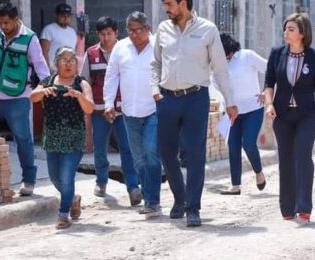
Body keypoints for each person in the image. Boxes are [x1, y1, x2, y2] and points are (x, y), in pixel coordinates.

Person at [151, 0, 238, 227]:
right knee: (167, 152)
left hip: (196, 98)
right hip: (167, 98)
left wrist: (230, 101)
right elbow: (155, 64)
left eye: (169, 3)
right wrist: (154, 89)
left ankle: (193, 207)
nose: (165, 8)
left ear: (183, 4)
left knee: (195, 153)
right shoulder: (163, 29)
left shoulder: (207, 29)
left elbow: (220, 69)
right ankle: (180, 198)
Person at [0, 2, 50, 197]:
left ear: (16, 20)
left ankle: (29, 180)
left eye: (7, 22)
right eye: (0, 22)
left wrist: (45, 90)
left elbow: (41, 67)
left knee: (23, 138)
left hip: (18, 96)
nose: (3, 26)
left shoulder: (29, 38)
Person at [264, 13, 315, 223]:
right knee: (286, 159)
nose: (286, 32)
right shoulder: (277, 54)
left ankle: (304, 206)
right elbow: (269, 82)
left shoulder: (314, 57)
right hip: (282, 114)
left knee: (302, 155)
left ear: (302, 33)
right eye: (285, 29)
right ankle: (287, 208)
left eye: (291, 29)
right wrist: (269, 104)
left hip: (307, 114)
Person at [105, 12, 163, 215]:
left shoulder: (159, 46)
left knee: (151, 153)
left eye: (138, 30)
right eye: (130, 30)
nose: (134, 34)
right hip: (129, 111)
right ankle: (148, 196)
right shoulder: (121, 48)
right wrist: (108, 103)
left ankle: (153, 200)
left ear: (148, 29)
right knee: (138, 158)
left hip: (154, 110)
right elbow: (111, 76)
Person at [30, 47, 94, 229]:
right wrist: (43, 92)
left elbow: (89, 108)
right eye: (64, 60)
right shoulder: (47, 81)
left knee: (67, 178)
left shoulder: (81, 83)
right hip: (52, 136)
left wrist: (78, 95)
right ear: (56, 63)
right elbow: (32, 97)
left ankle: (63, 214)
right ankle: (73, 198)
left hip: (74, 136)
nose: (68, 63)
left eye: (72, 60)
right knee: (54, 177)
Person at [80, 16, 140, 204]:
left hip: (124, 111)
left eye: (109, 33)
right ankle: (101, 181)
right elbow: (84, 81)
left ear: (116, 33)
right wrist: (86, 105)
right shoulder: (90, 54)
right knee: (100, 149)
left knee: (127, 149)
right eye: (103, 34)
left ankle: (133, 187)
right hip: (99, 112)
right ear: (98, 34)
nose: (106, 37)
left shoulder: (127, 52)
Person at [215, 32, 267, 196]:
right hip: (233, 111)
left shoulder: (247, 56)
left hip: (253, 108)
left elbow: (271, 69)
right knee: (233, 146)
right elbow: (217, 87)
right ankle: (235, 185)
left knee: (248, 143)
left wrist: (267, 91)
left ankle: (258, 172)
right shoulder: (218, 65)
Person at [40, 3, 77, 74]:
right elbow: (44, 52)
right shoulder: (48, 30)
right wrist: (47, 71)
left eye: (68, 16)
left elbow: (74, 53)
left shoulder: (72, 32)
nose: (65, 18)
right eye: (62, 16)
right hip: (54, 71)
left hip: (68, 71)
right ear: (56, 16)